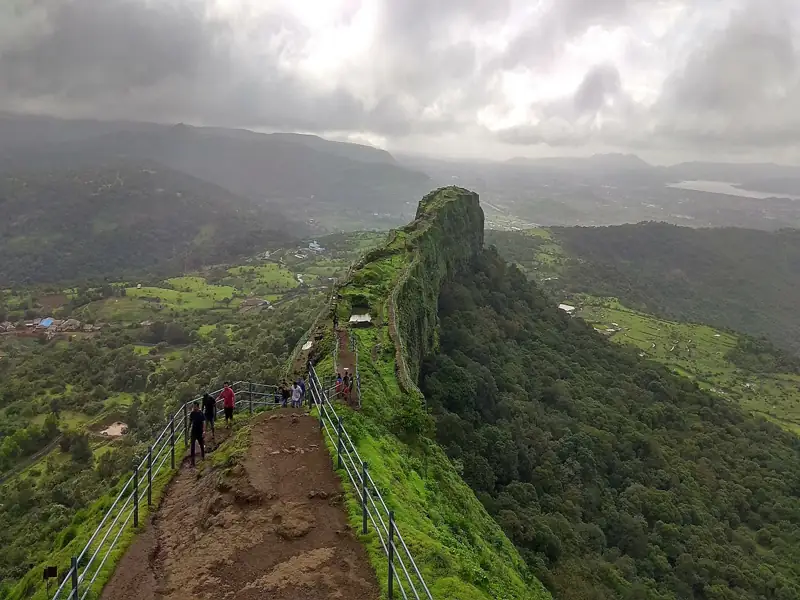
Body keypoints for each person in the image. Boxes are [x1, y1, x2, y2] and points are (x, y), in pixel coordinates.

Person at [188, 401, 205, 467]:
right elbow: (190, 421)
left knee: (201, 444)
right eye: (193, 406)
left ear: (198, 406)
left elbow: (204, 422)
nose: (194, 407)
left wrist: (204, 431)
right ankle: (193, 462)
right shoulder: (192, 413)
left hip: (200, 431)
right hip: (193, 431)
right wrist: (189, 428)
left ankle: (203, 456)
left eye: (195, 406)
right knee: (192, 446)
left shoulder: (201, 413)